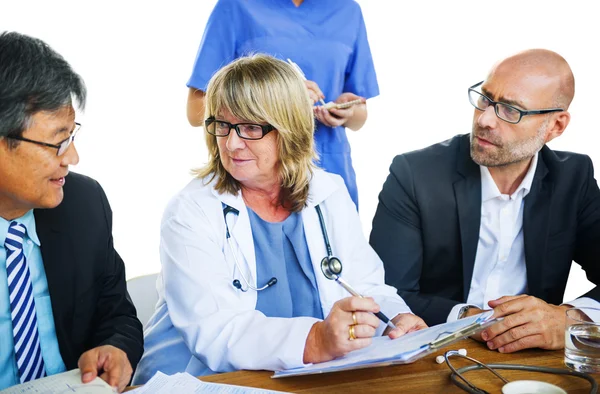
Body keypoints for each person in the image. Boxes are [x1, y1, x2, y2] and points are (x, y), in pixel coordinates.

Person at [133, 54, 425, 383]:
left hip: (299, 378)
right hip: (198, 382)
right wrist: (316, 339)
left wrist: (395, 317)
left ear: (289, 129)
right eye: (222, 125)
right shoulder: (190, 210)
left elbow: (366, 285)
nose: (231, 144)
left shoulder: (328, 193)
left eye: (250, 127)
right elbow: (214, 331)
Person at [370, 49, 600, 354]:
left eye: (510, 110)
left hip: (533, 361)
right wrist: (472, 320)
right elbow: (385, 293)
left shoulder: (573, 178)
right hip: (435, 352)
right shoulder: (414, 174)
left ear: (555, 126)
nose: (486, 119)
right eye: (486, 98)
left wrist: (568, 318)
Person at [0, 32, 143, 392]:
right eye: (57, 141)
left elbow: (117, 314)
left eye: (72, 135)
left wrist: (116, 347)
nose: (72, 158)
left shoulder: (83, 204)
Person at [185, 0, 379, 209]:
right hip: (257, 181)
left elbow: (360, 116)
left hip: (330, 167)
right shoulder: (235, 6)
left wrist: (347, 111)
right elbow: (196, 111)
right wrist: (284, 97)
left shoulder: (347, 11)